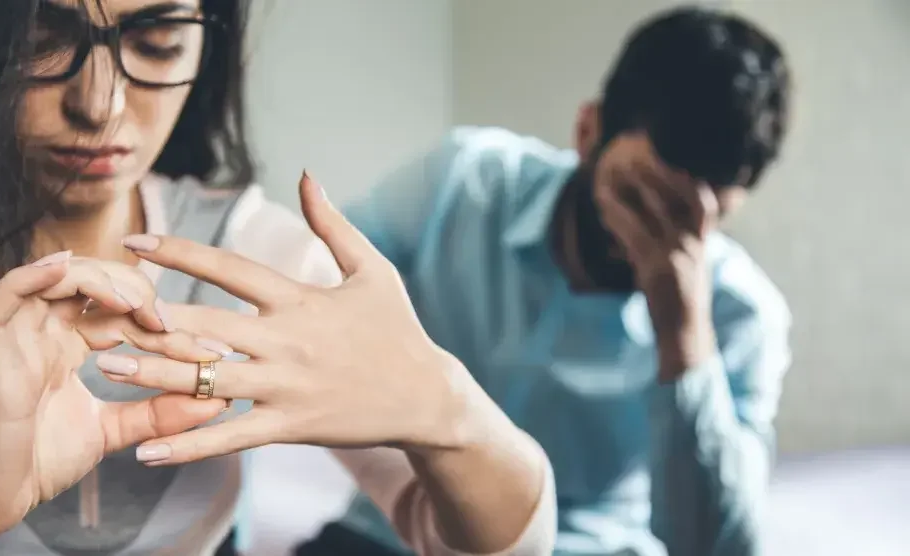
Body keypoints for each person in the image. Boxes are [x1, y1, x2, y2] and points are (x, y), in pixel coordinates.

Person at [0, 1, 556, 555]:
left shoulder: (264, 254)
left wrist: (450, 410)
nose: (100, 104)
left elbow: (485, 541)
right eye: (37, 43)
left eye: (155, 43)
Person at [319, 6, 794, 556]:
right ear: (588, 130)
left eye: (689, 218)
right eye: (640, 195)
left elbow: (715, 547)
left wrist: (682, 334)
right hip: (401, 533)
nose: (656, 233)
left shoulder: (741, 317)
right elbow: (324, 279)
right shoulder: (464, 183)